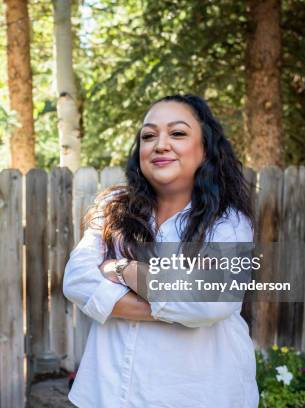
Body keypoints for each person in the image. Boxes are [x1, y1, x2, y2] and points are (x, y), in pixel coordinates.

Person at [63, 94, 259, 407]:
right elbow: (76, 280)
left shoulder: (228, 222)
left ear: (206, 148)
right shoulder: (113, 208)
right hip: (109, 392)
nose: (160, 144)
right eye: (149, 135)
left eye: (178, 133)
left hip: (195, 395)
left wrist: (120, 270)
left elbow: (209, 303)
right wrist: (173, 306)